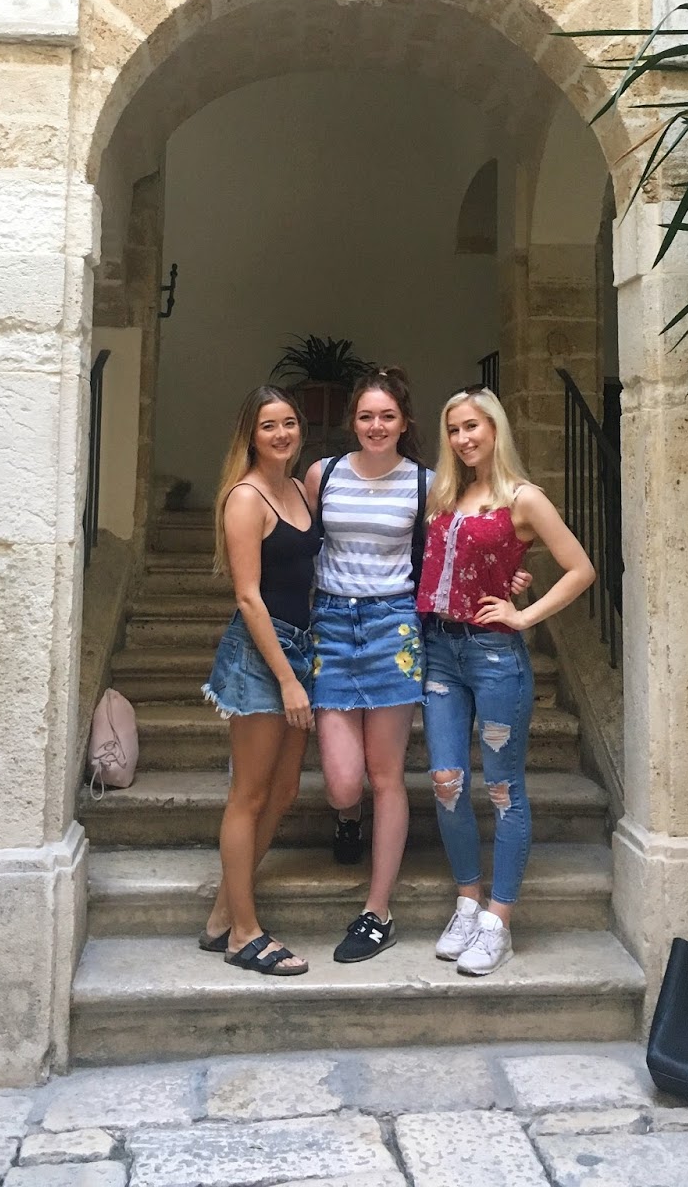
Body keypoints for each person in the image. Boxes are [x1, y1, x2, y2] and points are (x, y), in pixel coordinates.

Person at [417, 386, 596, 978]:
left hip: (494, 655)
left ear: (495, 428)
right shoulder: (447, 494)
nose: (463, 438)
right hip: (439, 651)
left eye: (473, 426)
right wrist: (509, 573)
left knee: (502, 788)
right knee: (446, 780)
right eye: (454, 430)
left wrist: (524, 614)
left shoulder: (523, 498)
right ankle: (467, 903)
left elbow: (580, 568)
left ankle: (499, 921)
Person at [302, 366, 431, 965]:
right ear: (352, 421)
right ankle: (347, 817)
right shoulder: (322, 474)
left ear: (404, 423)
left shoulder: (427, 484)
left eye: (387, 416)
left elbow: (451, 549)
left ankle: (377, 912)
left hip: (393, 626)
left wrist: (510, 577)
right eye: (365, 416)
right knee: (343, 783)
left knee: (386, 775)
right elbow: (296, 542)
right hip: (331, 624)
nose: (376, 426)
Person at [200, 386, 321, 977]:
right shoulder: (246, 497)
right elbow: (248, 597)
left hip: (302, 646)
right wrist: (288, 680)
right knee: (248, 795)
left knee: (285, 790)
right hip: (261, 655)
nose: (281, 434)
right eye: (269, 425)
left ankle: (223, 913)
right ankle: (243, 935)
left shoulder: (299, 488)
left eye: (289, 422)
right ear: (251, 434)